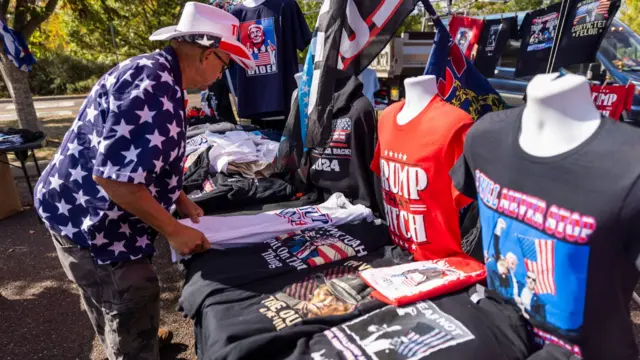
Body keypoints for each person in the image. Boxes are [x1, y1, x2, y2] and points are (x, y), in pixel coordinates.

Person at [32, 2, 255, 359]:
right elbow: (115, 180)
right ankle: (134, 347)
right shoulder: (152, 85)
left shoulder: (161, 76)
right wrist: (174, 229)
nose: (223, 75)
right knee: (130, 294)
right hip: (91, 224)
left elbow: (142, 160)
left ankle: (133, 338)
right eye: (225, 65)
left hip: (85, 213)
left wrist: (179, 197)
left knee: (114, 301)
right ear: (208, 54)